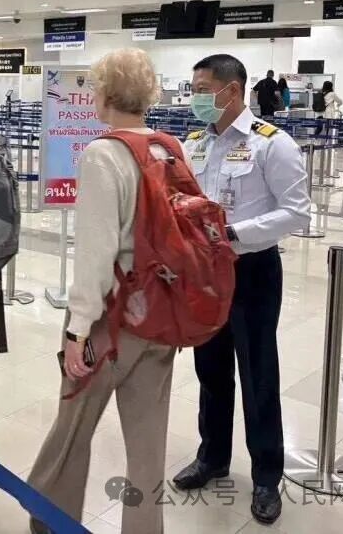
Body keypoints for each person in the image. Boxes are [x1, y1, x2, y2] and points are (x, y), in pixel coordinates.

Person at [27, 49, 176, 534]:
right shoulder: (170, 148)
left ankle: (52, 518)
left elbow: (97, 252)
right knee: (148, 442)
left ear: (107, 94)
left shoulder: (103, 154)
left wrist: (77, 330)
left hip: (112, 321)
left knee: (72, 427)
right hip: (163, 316)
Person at [173, 54, 311, 525]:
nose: (195, 98)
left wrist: (232, 235)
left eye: (202, 89)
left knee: (258, 374)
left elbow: (297, 212)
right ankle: (212, 457)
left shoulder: (272, 144)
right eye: (193, 89)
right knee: (210, 370)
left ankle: (267, 476)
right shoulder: (194, 144)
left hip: (251, 271)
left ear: (231, 91)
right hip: (204, 273)